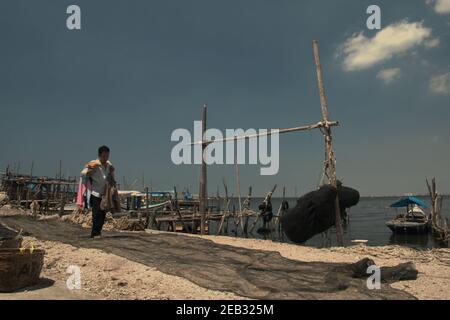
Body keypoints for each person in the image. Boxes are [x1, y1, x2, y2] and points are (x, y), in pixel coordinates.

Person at [82, 145, 115, 238]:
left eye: (107, 156)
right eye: (104, 156)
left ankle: (98, 232)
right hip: (95, 193)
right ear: (99, 155)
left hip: (105, 194)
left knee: (103, 214)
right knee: (96, 214)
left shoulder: (108, 164)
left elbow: (112, 173)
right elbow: (83, 174)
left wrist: (112, 171)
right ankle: (94, 233)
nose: (105, 158)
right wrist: (90, 170)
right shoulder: (93, 163)